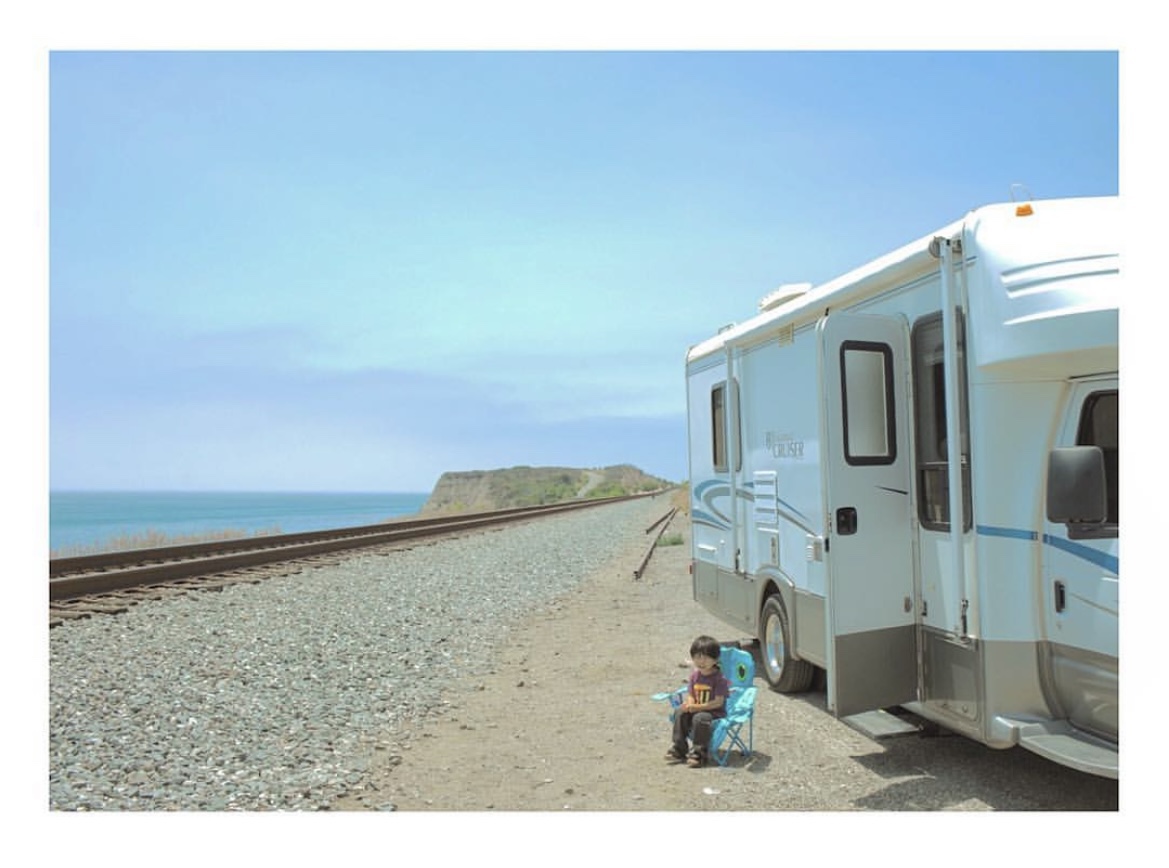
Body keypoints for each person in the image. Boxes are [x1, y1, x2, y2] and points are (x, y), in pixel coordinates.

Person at [666, 635, 730, 767]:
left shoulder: (719, 679)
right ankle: (679, 748)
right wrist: (689, 703)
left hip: (714, 713)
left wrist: (697, 707)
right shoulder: (695, 676)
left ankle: (699, 753)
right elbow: (691, 694)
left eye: (705, 658)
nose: (701, 661)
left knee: (700, 718)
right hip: (697, 708)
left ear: (715, 659)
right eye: (697, 657)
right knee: (679, 712)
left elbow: (718, 702)